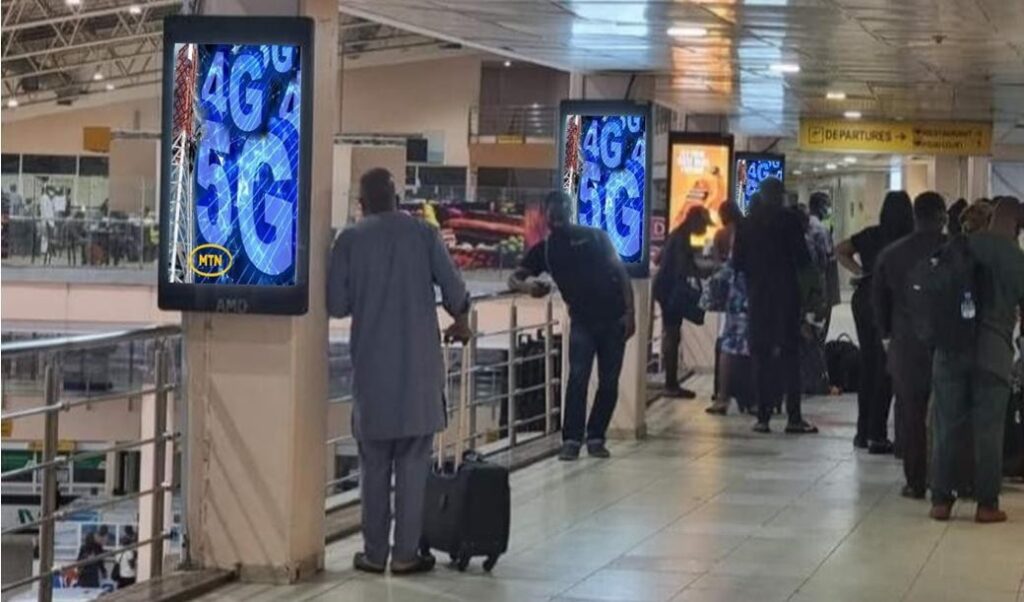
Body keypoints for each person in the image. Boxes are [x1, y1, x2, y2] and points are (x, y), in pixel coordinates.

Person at [327, 167, 472, 575]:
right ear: (396, 199)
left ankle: (374, 554)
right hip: (419, 373)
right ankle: (406, 553)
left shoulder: (349, 240)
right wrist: (461, 319)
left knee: (373, 468)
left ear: (363, 202)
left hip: (373, 373)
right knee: (413, 467)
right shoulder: (423, 234)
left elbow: (336, 305)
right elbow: (455, 290)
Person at [509, 191, 635, 461]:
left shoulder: (595, 236)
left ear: (569, 211)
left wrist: (631, 312)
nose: (557, 217)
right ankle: (572, 440)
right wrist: (528, 286)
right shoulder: (544, 250)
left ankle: (596, 436)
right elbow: (515, 277)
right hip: (582, 322)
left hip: (614, 319)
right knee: (577, 379)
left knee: (609, 382)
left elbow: (621, 273)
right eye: (553, 213)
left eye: (562, 211)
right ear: (546, 215)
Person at [930, 197, 1024, 523]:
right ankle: (986, 505)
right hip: (993, 354)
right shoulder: (1015, 257)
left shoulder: (958, 245)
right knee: (989, 431)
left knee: (946, 426)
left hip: (950, 349)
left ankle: (941, 501)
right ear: (1017, 226)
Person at [873, 192, 947, 499]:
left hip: (906, 344)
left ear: (915, 216)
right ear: (942, 216)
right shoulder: (956, 250)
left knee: (912, 414)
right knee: (948, 413)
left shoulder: (891, 254)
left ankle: (915, 481)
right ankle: (948, 480)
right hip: (950, 344)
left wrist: (888, 335)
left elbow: (879, 302)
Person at [733, 177, 818, 434]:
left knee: (761, 356)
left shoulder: (747, 224)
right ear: (779, 195)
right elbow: (803, 260)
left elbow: (737, 263)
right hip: (787, 296)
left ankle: (763, 417)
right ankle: (793, 417)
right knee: (790, 356)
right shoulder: (789, 221)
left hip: (758, 296)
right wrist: (812, 297)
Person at [837, 191, 913, 453]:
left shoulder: (870, 234)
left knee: (869, 366)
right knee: (887, 369)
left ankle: (863, 432)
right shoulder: (908, 239)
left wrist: (861, 272)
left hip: (864, 299)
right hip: (890, 303)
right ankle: (877, 434)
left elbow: (841, 250)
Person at [652, 207, 712, 399]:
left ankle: (672, 382)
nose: (704, 229)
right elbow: (682, 267)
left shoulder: (677, 234)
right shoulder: (681, 238)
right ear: (695, 221)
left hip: (664, 288)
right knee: (672, 335)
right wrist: (701, 272)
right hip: (669, 291)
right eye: (703, 224)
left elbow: (659, 258)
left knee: (672, 334)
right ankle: (671, 384)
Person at [706, 200, 753, 415]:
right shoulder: (748, 231)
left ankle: (723, 396)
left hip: (735, 296)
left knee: (729, 345)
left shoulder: (722, 234)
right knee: (753, 347)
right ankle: (750, 397)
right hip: (753, 295)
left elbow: (720, 265)